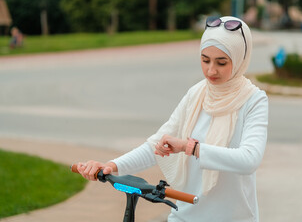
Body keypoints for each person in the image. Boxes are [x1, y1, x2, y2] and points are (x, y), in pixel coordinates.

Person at [77, 16, 268, 222]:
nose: (211, 70)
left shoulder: (253, 100)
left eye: (221, 62)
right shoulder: (197, 94)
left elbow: (249, 159)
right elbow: (158, 146)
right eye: (205, 60)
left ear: (240, 59)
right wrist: (112, 166)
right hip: (184, 216)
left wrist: (190, 147)